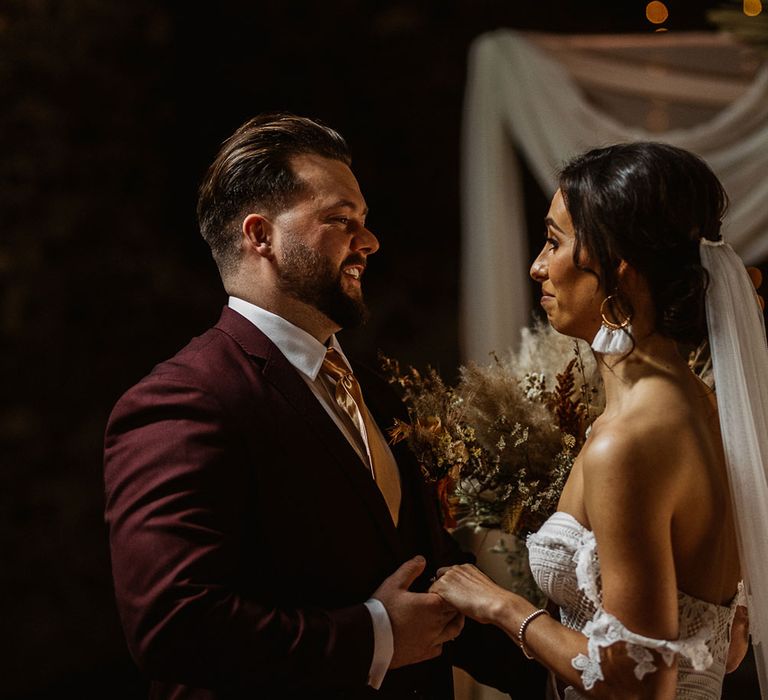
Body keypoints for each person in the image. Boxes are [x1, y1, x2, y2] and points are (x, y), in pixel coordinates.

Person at [103, 113, 546, 699]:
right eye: (341, 221)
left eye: (363, 221)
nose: (369, 241)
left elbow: (428, 572)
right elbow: (174, 625)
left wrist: (563, 676)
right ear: (260, 236)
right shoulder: (185, 400)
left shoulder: (369, 387)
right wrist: (374, 635)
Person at [430, 142, 768, 699]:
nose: (537, 265)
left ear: (619, 272)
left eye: (555, 241)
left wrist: (502, 607)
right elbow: (725, 645)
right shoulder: (698, 405)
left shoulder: (631, 440)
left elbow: (639, 687)